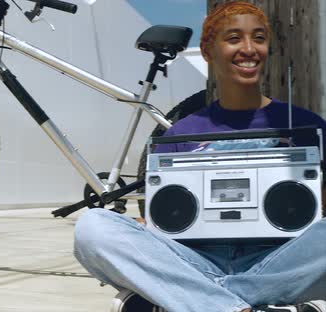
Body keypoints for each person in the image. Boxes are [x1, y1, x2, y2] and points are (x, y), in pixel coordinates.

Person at [73, 2, 326, 312]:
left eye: (258, 38)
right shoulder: (180, 133)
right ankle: (248, 306)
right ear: (208, 51)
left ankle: (189, 299)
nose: (249, 48)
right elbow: (165, 218)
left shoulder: (307, 126)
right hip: (198, 259)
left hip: (281, 261)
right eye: (234, 38)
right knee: (93, 227)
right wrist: (146, 229)